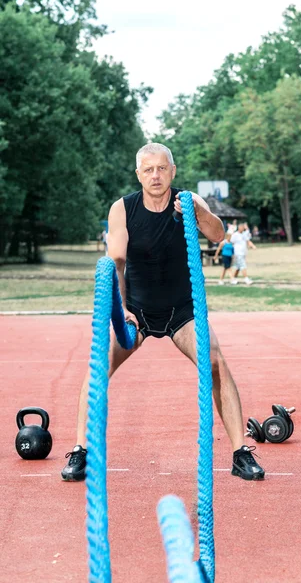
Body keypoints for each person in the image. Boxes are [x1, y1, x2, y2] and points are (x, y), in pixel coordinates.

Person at [61, 143, 264, 482]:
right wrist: (122, 308)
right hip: (136, 312)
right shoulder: (122, 209)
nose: (155, 175)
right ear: (138, 173)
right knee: (98, 367)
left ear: (172, 171)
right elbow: (118, 264)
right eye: (148, 169)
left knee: (215, 363)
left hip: (182, 311)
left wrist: (198, 214)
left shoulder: (187, 201)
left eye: (161, 168)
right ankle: (81, 451)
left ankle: (241, 453)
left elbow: (217, 235)